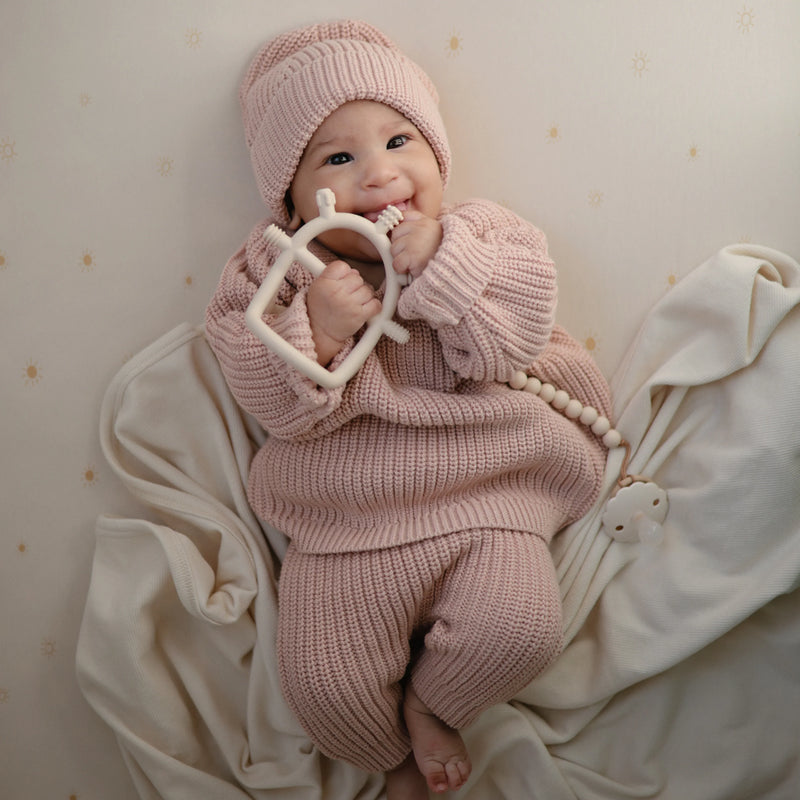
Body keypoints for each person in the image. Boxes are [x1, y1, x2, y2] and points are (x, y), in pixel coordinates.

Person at [205, 19, 611, 799]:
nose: (381, 174)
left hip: (488, 494)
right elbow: (256, 383)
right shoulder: (273, 270)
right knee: (325, 688)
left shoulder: (481, 232)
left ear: (436, 153)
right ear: (289, 196)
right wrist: (314, 329)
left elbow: (515, 335)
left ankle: (433, 702)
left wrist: (447, 265)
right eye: (338, 157)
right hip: (347, 517)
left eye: (400, 142)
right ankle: (390, 756)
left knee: (521, 630)